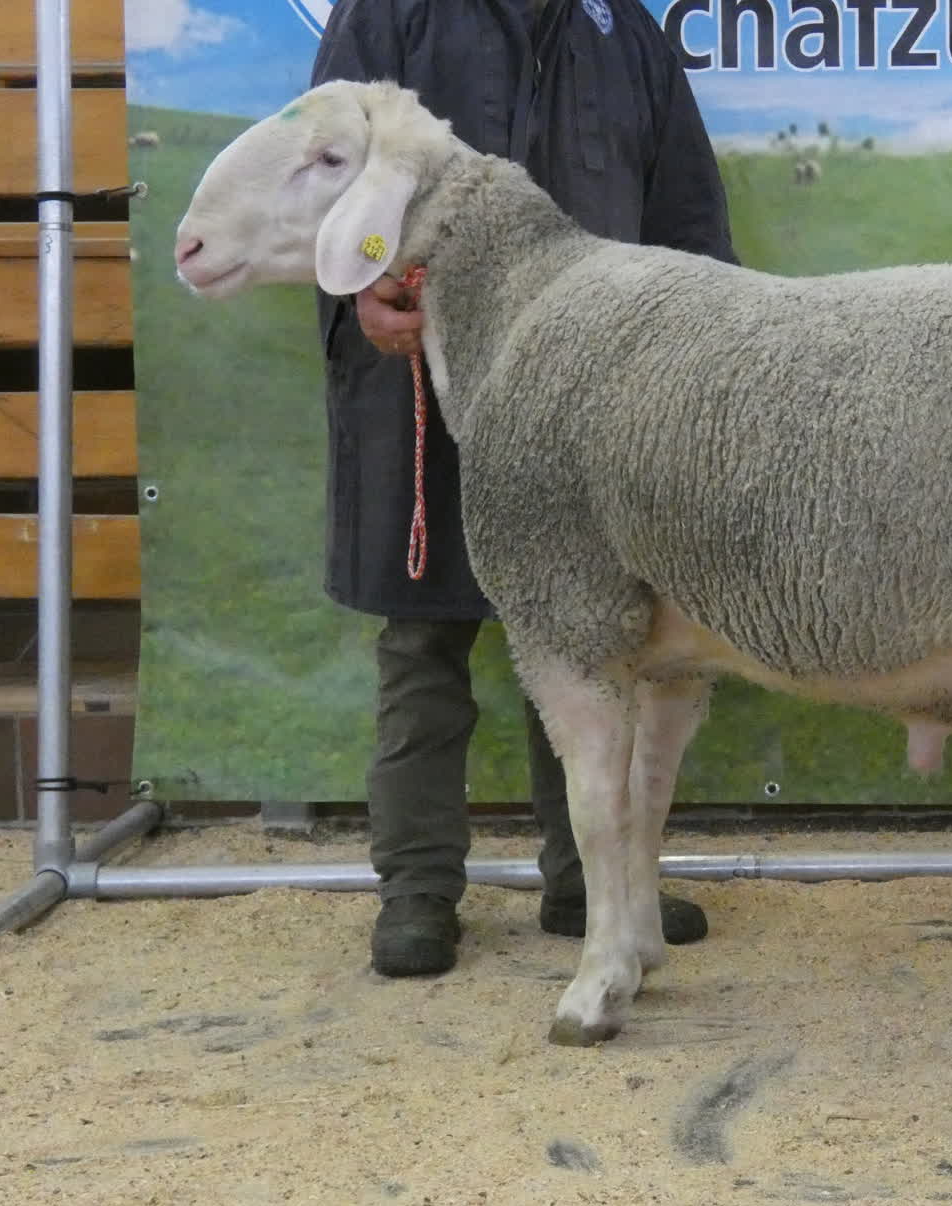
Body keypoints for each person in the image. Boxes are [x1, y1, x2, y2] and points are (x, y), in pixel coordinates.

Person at [308, 0, 737, 977]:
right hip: (422, 376)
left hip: (592, 397)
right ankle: (418, 889)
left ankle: (588, 884)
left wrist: (706, 354)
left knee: (589, 636)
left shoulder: (622, 32)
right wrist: (360, 288)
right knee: (423, 643)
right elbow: (323, 173)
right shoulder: (390, 16)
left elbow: (685, 212)